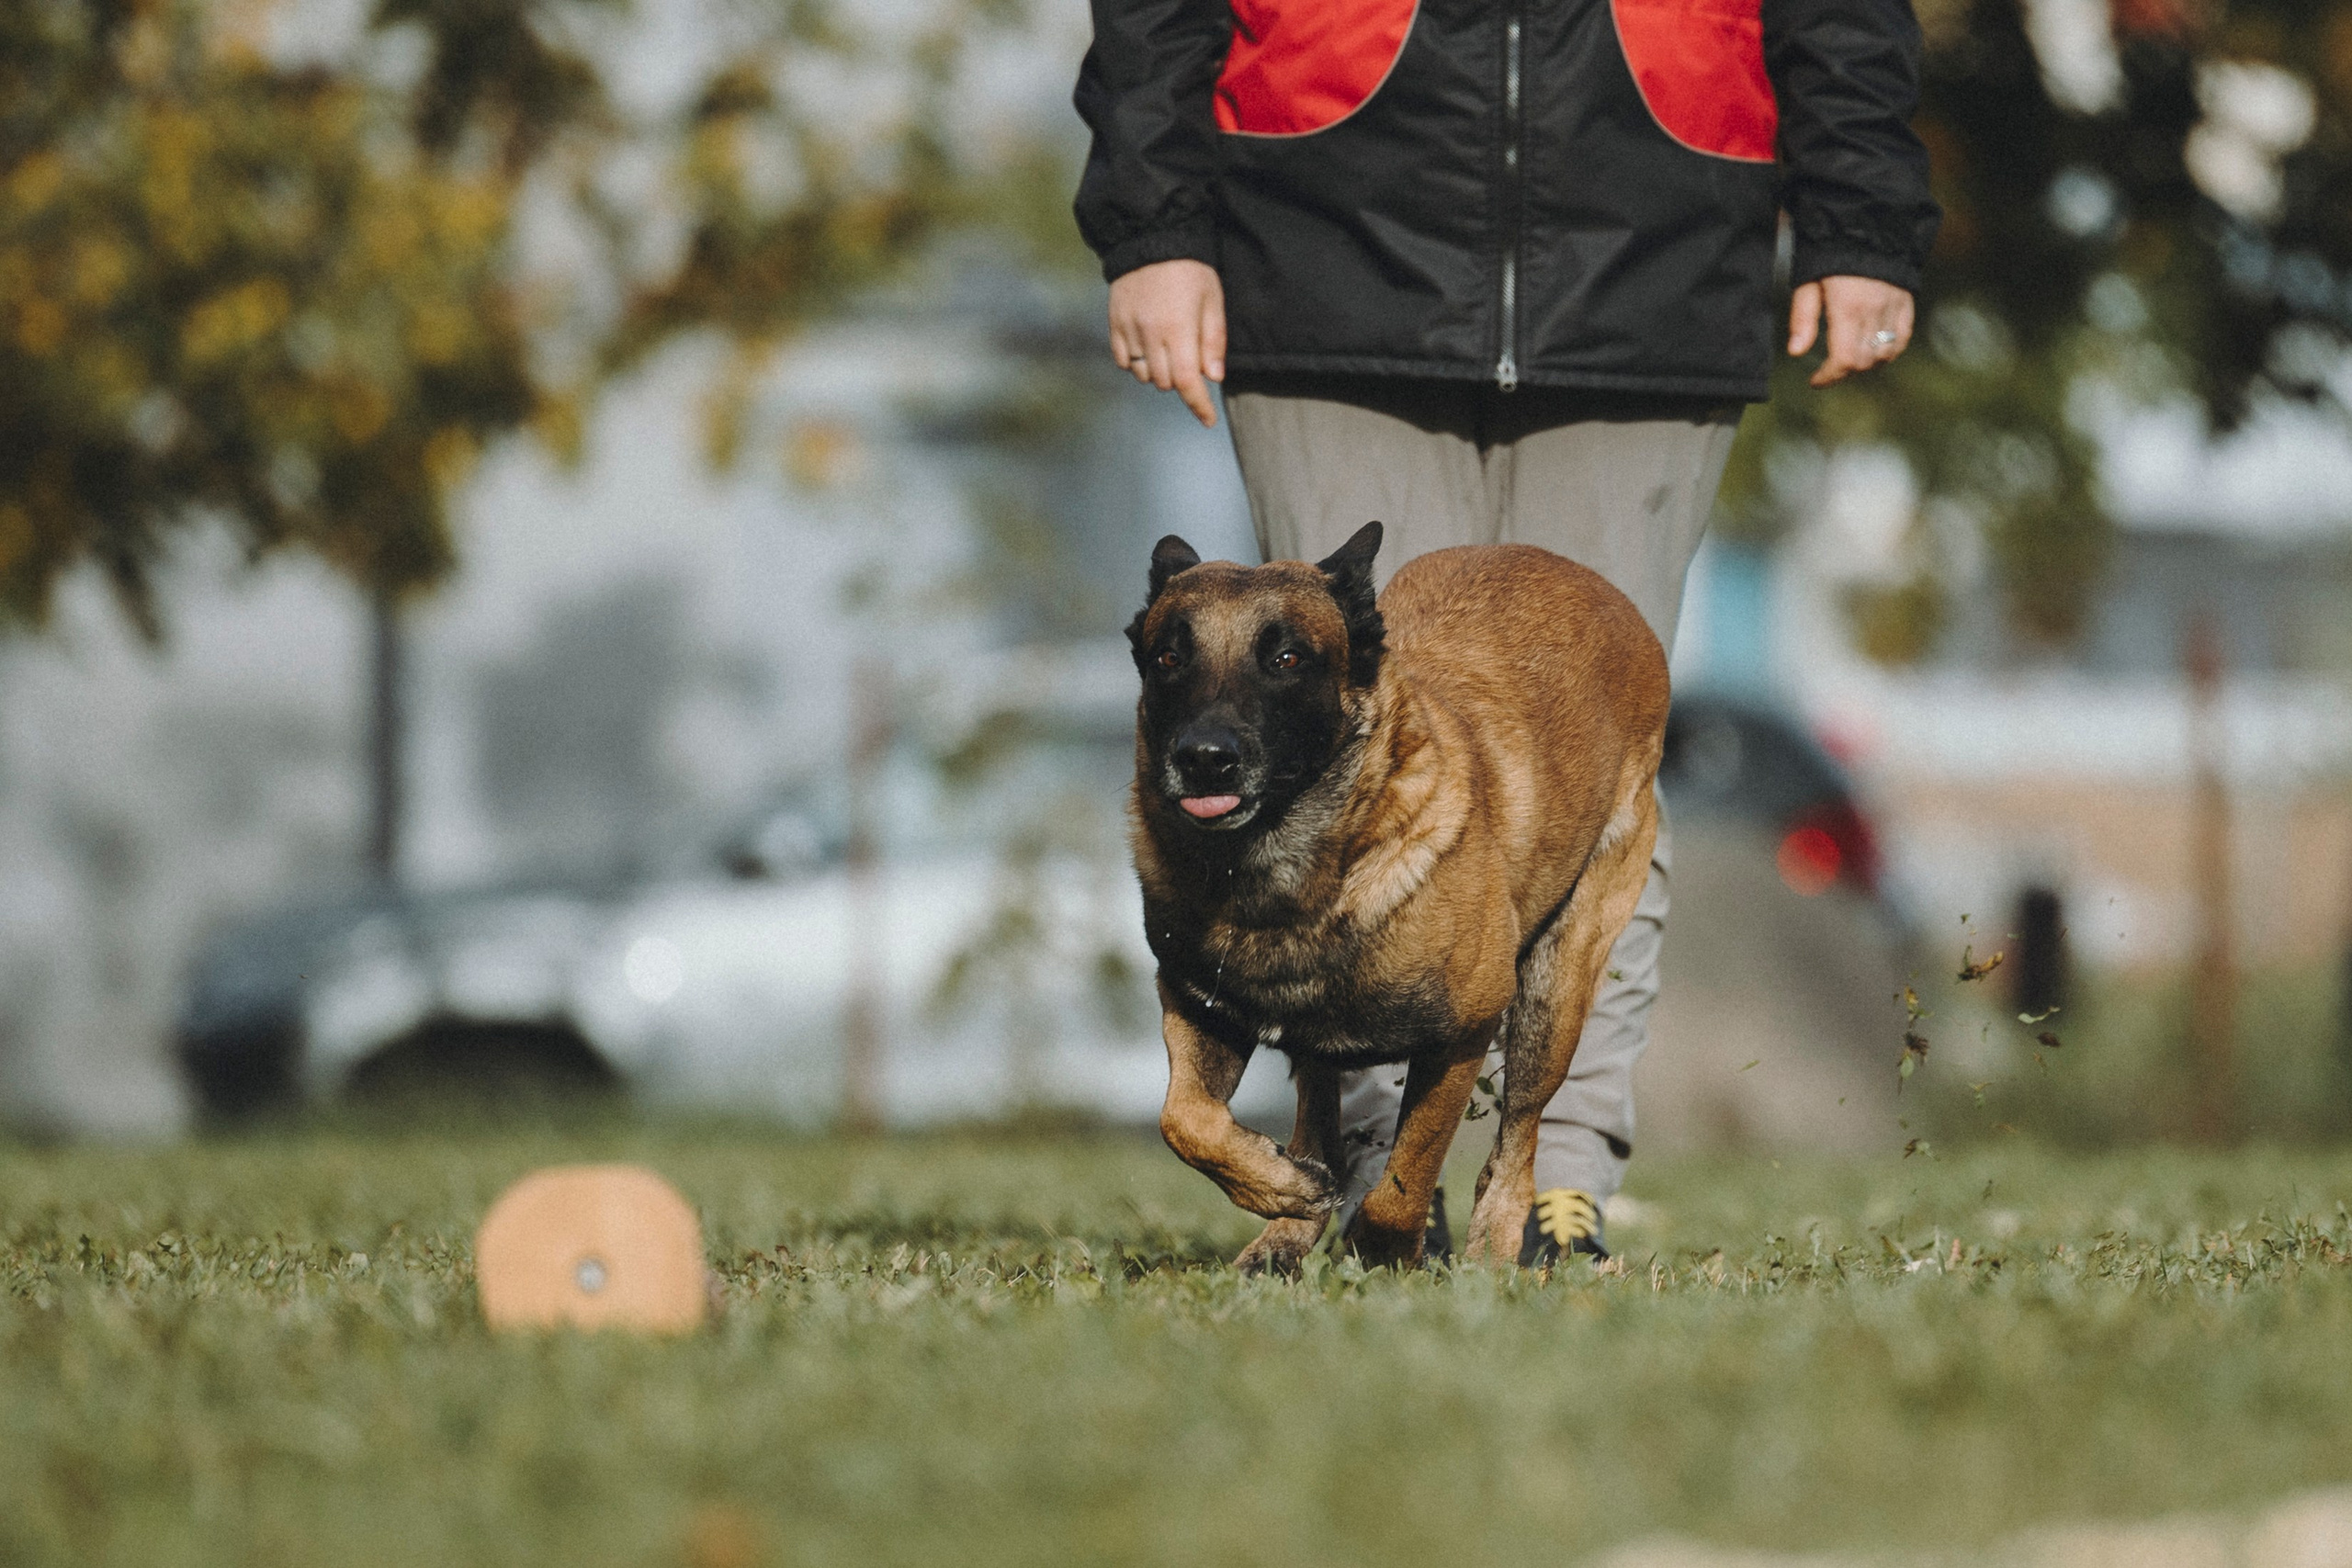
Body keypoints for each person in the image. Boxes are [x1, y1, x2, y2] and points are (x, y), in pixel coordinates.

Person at [1074, 0, 1939, 1262]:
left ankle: (1556, 1185)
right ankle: (1367, 1191)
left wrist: (1861, 217)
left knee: (1591, 790)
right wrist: (1153, 225)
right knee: (1332, 760)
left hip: (1655, 253)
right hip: (1328, 243)